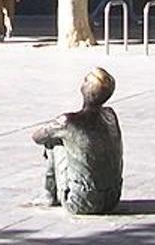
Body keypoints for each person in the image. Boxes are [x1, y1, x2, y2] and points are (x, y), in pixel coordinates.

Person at [32, 67, 124, 215]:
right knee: (64, 136)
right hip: (112, 198)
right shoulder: (110, 115)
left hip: (81, 201)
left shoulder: (68, 121)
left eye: (85, 80)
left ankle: (49, 194)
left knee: (54, 141)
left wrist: (58, 127)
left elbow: (37, 137)